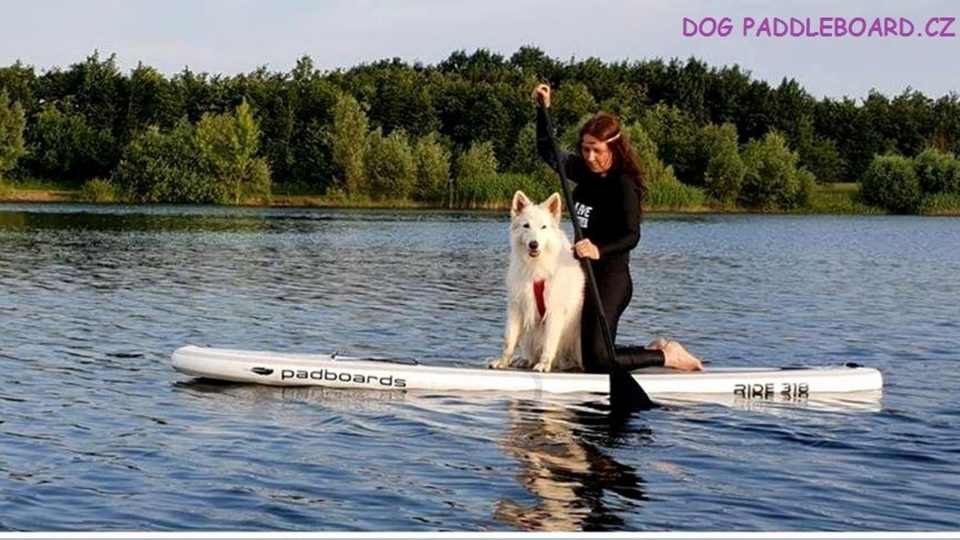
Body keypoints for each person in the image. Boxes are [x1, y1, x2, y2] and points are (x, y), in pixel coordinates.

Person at [532, 83, 703, 373]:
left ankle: (668, 356)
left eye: (596, 150)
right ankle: (650, 350)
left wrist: (598, 249)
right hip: (581, 278)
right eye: (585, 149)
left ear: (612, 147)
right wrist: (542, 109)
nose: (589, 157)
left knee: (598, 360)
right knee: (584, 353)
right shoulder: (583, 171)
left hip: (612, 280)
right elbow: (547, 151)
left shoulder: (625, 184)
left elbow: (631, 235)